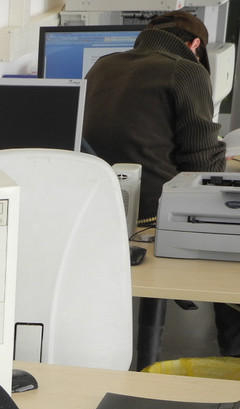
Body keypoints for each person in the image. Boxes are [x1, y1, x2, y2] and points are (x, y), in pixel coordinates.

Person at [84, 11, 239, 357]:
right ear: (195, 45)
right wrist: (221, 154)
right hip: (152, 219)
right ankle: (232, 359)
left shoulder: (103, 65)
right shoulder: (187, 70)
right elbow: (201, 165)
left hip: (100, 210)